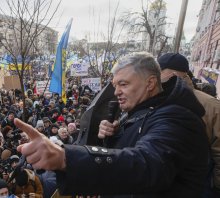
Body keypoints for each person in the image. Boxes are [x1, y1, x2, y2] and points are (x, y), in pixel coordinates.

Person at [15, 52, 209, 197]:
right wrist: (117, 135)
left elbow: (146, 164)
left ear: (150, 83)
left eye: (123, 84)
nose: (116, 92)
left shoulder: (177, 118)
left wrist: (66, 157)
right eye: (115, 85)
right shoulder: (138, 113)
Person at [157, 53, 220, 196]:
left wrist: (217, 186)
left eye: (159, 72)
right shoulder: (157, 97)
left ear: (171, 74)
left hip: (200, 184)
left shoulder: (211, 105)